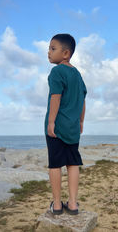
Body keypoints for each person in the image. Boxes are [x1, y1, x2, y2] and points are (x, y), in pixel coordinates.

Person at [44, 33, 87, 215]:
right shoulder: (77, 75)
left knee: (55, 164)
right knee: (72, 164)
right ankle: (73, 204)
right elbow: (83, 100)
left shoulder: (57, 71)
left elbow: (56, 97)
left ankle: (57, 205)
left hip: (58, 127)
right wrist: (81, 121)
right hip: (72, 128)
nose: (48, 52)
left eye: (53, 49)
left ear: (65, 53)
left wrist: (51, 121)